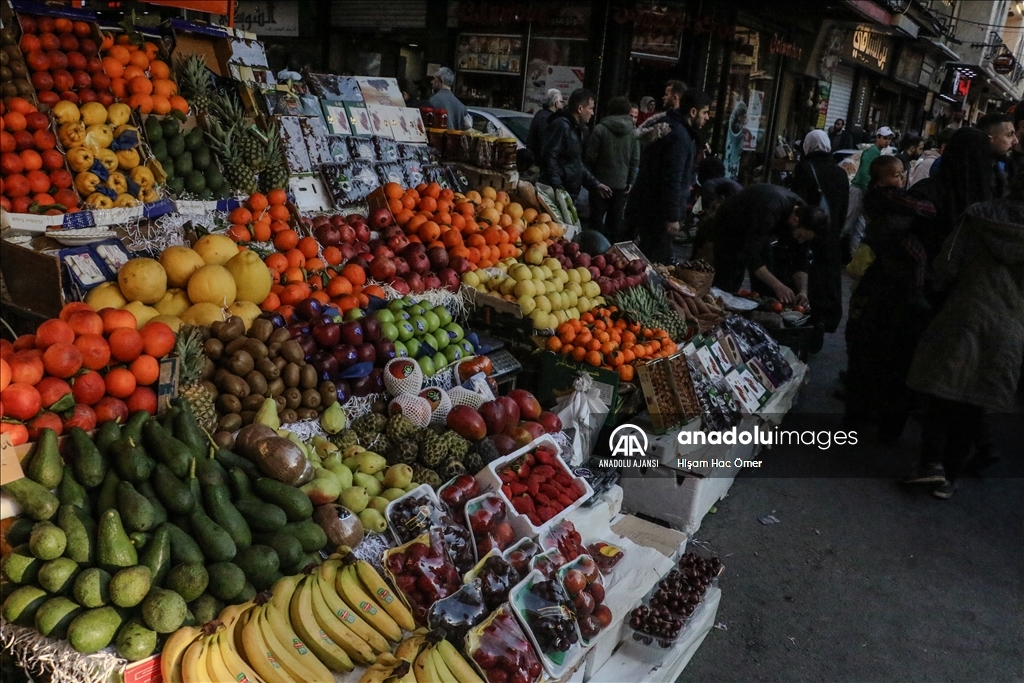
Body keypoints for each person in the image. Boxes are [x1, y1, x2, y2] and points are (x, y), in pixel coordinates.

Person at [902, 184, 1024, 498]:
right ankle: (950, 477)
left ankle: (930, 464)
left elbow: (947, 264)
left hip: (964, 313)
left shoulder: (978, 215)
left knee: (942, 391)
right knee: (973, 403)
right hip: (1009, 327)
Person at [843, 156, 936, 440]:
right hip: (889, 290)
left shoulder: (885, 200)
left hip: (881, 289)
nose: (901, 180)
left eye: (902, 174)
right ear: (881, 180)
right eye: (895, 176)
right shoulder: (887, 199)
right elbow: (924, 211)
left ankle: (861, 414)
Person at [625, 87, 710, 264]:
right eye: (705, 112)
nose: (707, 118)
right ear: (693, 112)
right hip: (657, 213)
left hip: (648, 207)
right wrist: (672, 216)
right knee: (653, 263)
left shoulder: (672, 128)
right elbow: (672, 178)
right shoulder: (679, 136)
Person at [711, 183, 826, 304]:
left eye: (805, 239)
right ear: (795, 220)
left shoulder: (805, 217)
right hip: (731, 225)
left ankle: (761, 308)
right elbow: (752, 255)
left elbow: (801, 259)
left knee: (768, 279)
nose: (800, 241)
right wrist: (778, 286)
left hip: (760, 230)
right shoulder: (770, 208)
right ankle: (718, 306)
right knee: (730, 275)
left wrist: (803, 292)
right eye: (800, 236)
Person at [791, 129, 849, 339]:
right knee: (827, 280)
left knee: (807, 273)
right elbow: (843, 207)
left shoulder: (805, 167)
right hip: (831, 236)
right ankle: (824, 320)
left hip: (808, 232)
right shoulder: (840, 172)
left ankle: (805, 319)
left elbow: (798, 203)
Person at [539, 88, 611, 203]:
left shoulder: (576, 128)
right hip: (557, 195)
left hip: (567, 194)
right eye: (591, 108)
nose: (592, 113)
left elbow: (575, 163)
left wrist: (595, 184)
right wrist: (558, 188)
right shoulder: (562, 125)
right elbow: (549, 157)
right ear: (580, 109)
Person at [584, 96, 640, 242]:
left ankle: (593, 250)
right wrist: (630, 181)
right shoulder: (633, 132)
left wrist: (591, 180)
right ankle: (612, 253)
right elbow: (635, 160)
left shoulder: (600, 129)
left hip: (600, 184)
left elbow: (590, 158)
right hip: (621, 185)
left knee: (596, 220)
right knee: (615, 222)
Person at [845, 126, 895, 253]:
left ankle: (853, 257)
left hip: (863, 190)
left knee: (859, 227)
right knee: (848, 224)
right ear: (877, 138)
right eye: (884, 138)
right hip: (859, 190)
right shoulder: (872, 152)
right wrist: (869, 191)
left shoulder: (876, 152)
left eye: (889, 139)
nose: (887, 141)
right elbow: (864, 174)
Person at [976, 112, 1019, 195]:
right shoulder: (973, 176)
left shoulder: (1003, 172)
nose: (1016, 141)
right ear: (989, 139)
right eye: (1009, 135)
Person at [527, 88, 563, 164]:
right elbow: (546, 146)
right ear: (556, 104)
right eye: (561, 102)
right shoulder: (547, 119)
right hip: (540, 166)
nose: (562, 104)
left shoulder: (540, 115)